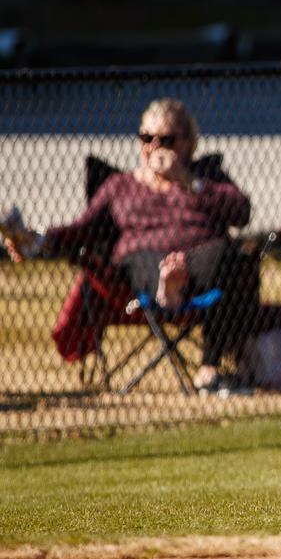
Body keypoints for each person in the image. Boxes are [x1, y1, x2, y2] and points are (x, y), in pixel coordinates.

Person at [3, 98, 260, 392]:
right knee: (143, 260)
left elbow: (242, 212)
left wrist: (188, 181)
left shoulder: (205, 178)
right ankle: (166, 288)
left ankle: (209, 367)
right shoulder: (121, 185)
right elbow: (83, 229)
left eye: (167, 140)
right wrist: (42, 241)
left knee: (232, 254)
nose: (154, 147)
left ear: (188, 143)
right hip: (142, 266)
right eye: (146, 138)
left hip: (202, 264)